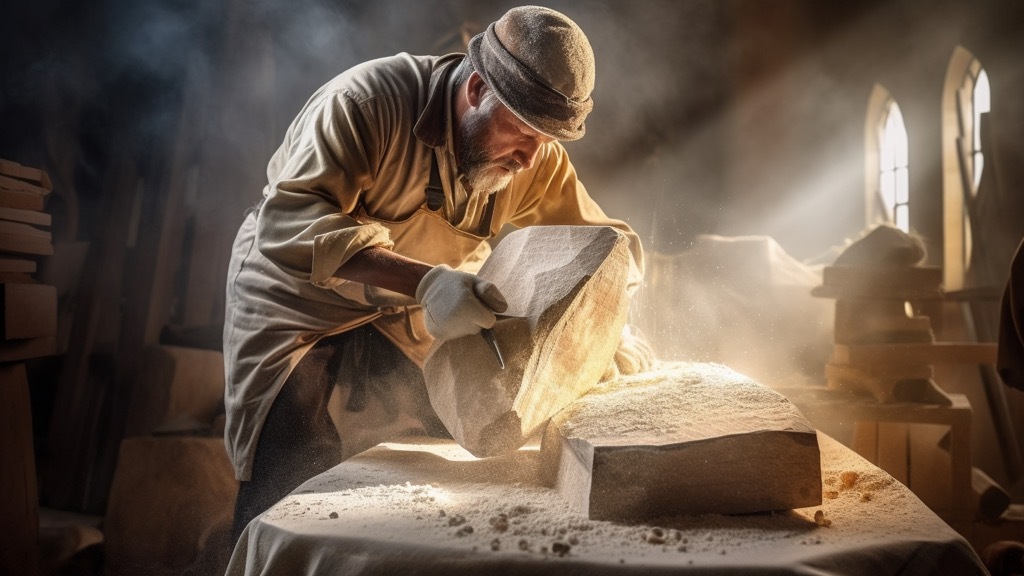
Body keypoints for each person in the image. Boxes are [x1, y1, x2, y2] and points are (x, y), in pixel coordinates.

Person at [223, 5, 646, 543]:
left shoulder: (536, 156)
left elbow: (604, 238)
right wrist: (426, 283)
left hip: (423, 307)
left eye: (546, 141)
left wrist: (611, 320)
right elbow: (290, 220)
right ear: (475, 89)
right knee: (287, 466)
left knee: (464, 447)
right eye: (521, 133)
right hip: (299, 293)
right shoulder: (366, 102)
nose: (528, 160)